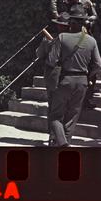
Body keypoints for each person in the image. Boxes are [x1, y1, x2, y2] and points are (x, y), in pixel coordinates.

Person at [47, 4, 101, 147]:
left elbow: (51, 61)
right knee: (72, 116)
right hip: (82, 81)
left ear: (70, 22)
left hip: (65, 79)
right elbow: (99, 64)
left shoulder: (62, 37)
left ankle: (62, 144)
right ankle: (65, 143)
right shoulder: (91, 40)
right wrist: (89, 75)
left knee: (55, 116)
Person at [35, 12, 70, 145]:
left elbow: (39, 54)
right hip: (67, 75)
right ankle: (60, 136)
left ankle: (53, 136)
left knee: (53, 107)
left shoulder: (51, 39)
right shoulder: (72, 39)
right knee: (65, 107)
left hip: (53, 75)